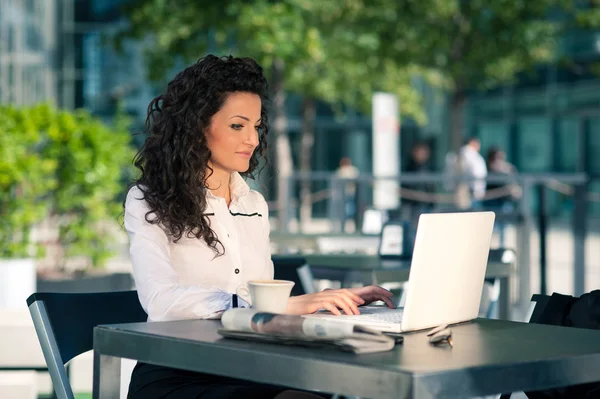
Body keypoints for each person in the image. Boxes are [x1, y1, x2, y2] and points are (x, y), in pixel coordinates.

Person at [124, 55, 395, 399]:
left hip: (251, 365)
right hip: (177, 372)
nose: (252, 139)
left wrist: (330, 307)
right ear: (196, 126)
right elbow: (161, 302)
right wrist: (278, 306)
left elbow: (265, 305)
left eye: (256, 126)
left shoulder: (253, 205)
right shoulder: (148, 199)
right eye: (238, 125)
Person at [402, 141, 434, 227]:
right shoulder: (409, 168)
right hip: (413, 205)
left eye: (425, 152)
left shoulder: (428, 167)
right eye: (421, 152)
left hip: (426, 204)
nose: (423, 155)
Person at [458, 137, 487, 209]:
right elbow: (475, 171)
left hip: (473, 188)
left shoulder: (469, 154)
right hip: (471, 189)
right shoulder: (468, 154)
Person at [335, 157, 359, 231]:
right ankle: (345, 224)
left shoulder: (352, 170)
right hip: (343, 194)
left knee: (350, 209)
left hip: (351, 194)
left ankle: (351, 223)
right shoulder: (340, 171)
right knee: (344, 209)